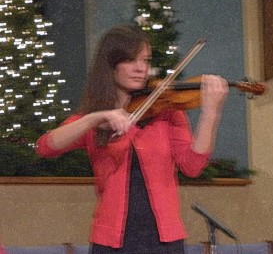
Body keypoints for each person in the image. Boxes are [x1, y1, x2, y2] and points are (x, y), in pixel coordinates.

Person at [35, 24, 229, 254]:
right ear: (111, 65)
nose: (141, 69)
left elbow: (193, 166)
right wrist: (95, 118)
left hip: (164, 241)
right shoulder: (96, 119)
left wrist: (210, 114)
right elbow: (45, 147)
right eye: (131, 60)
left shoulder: (167, 112)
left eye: (145, 61)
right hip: (112, 241)